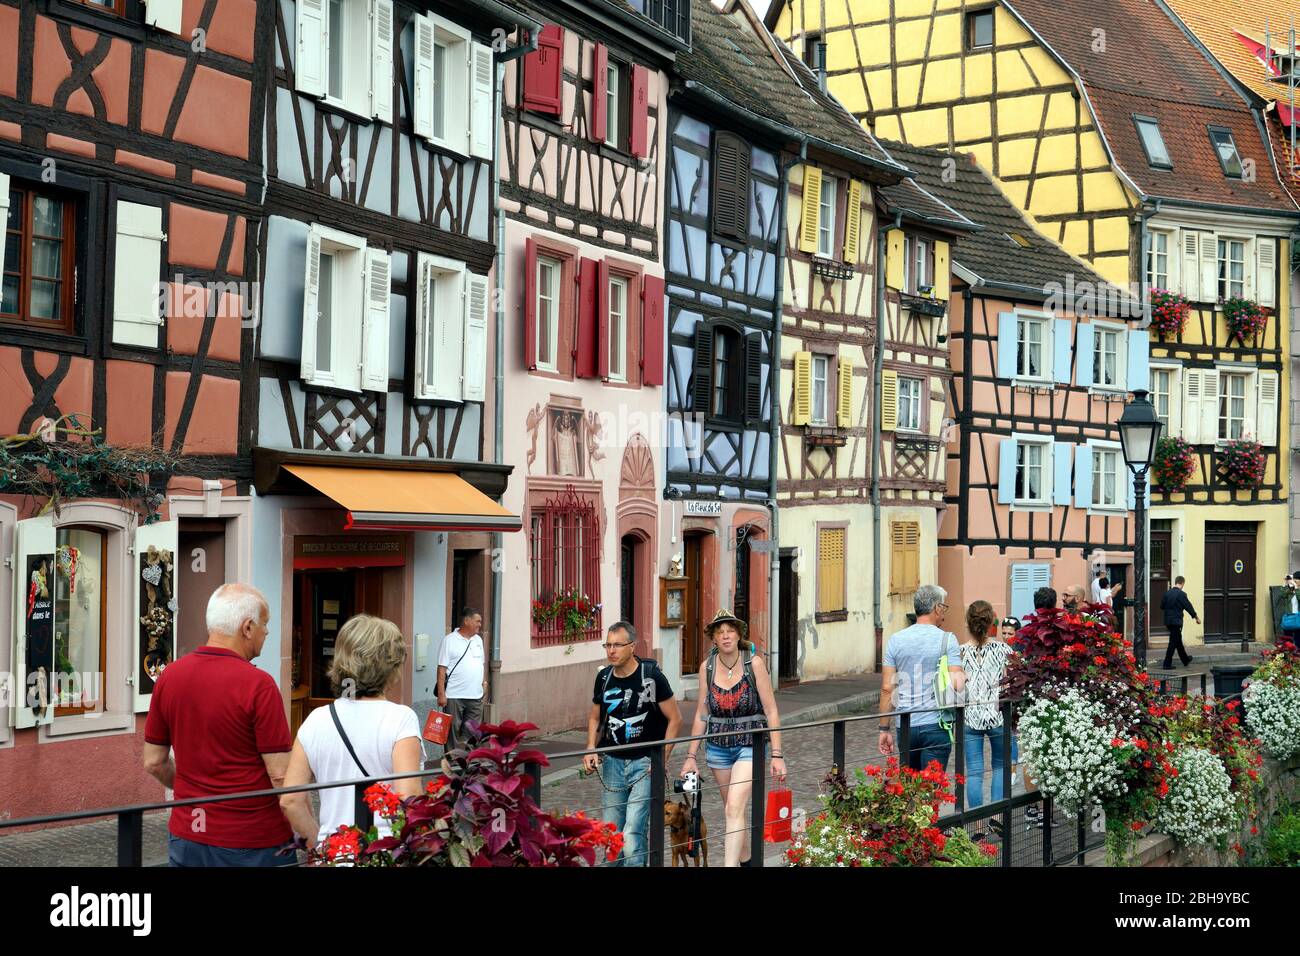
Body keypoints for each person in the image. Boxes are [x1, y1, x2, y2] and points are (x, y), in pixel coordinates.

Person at [142, 583, 295, 867]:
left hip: (188, 834)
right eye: (265, 624)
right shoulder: (258, 685)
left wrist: (196, 792)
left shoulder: (169, 676)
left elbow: (153, 762)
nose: (267, 632)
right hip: (252, 839)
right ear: (247, 627)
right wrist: (310, 832)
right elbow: (281, 775)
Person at [280, 615, 424, 846]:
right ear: (391, 667)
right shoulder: (401, 719)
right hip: (385, 852)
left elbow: (290, 800)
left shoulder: (316, 719)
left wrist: (320, 845)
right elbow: (409, 799)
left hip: (335, 852)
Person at [681, 609, 785, 868]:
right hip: (717, 747)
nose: (726, 636)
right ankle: (748, 863)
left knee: (733, 809)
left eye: (730, 631)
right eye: (720, 632)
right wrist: (690, 756)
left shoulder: (754, 663)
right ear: (713, 639)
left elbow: (771, 709)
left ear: (739, 635)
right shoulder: (708, 667)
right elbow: (701, 714)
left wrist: (777, 754)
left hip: (750, 744)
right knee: (732, 810)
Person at [582, 622, 681, 867]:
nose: (611, 650)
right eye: (608, 644)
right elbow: (595, 715)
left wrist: (661, 760)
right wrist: (591, 748)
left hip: (645, 763)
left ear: (632, 646)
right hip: (613, 763)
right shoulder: (604, 678)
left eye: (618, 645)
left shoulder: (651, 677)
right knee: (612, 834)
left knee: (632, 832)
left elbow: (675, 718)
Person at [880, 585, 967, 772]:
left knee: (909, 790)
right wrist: (963, 676)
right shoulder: (947, 639)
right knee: (931, 791)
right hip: (936, 724)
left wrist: (883, 729)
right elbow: (957, 685)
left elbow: (887, 688)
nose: (944, 614)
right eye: (943, 608)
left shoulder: (895, 640)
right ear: (936, 608)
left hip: (905, 725)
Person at [960, 601, 1013, 831]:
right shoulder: (1004, 650)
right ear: (992, 622)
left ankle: (978, 826)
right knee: (1000, 767)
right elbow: (1013, 681)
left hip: (970, 716)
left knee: (974, 771)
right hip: (997, 714)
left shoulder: (960, 652)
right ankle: (997, 818)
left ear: (968, 623)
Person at [437, 607, 487, 753]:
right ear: (467, 621)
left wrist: (485, 684)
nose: (480, 624)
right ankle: (451, 762)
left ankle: (469, 762)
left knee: (473, 732)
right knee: (452, 732)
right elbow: (441, 669)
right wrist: (441, 694)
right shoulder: (449, 640)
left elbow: (481, 664)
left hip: (475, 695)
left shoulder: (478, 640)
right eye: (477, 621)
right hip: (454, 695)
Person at [1159, 575, 1199, 669]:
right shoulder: (1181, 594)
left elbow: (1161, 606)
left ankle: (1185, 660)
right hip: (1176, 622)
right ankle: (1167, 664)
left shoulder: (1167, 593)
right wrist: (1196, 617)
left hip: (1168, 621)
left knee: (1178, 641)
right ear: (1182, 583)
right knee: (1173, 643)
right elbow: (1188, 606)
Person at [1272, 572, 1300, 648]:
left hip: (1298, 617)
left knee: (1298, 639)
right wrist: (1285, 582)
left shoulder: (1297, 590)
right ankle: (1289, 656)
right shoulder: (1290, 590)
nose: (1294, 581)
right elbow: (1282, 595)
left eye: (1296, 579)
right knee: (1288, 639)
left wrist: (1296, 588)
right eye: (1293, 579)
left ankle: (1298, 655)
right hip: (1289, 617)